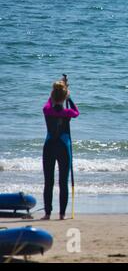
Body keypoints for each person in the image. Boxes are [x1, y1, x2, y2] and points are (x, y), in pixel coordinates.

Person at [42, 79, 79, 220]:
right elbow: (77, 112)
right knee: (63, 182)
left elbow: (48, 103)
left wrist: (52, 96)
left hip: (49, 146)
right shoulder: (68, 113)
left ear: (53, 95)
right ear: (64, 97)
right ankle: (62, 214)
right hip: (63, 147)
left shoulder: (47, 110)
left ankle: (47, 213)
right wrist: (70, 97)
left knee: (48, 181)